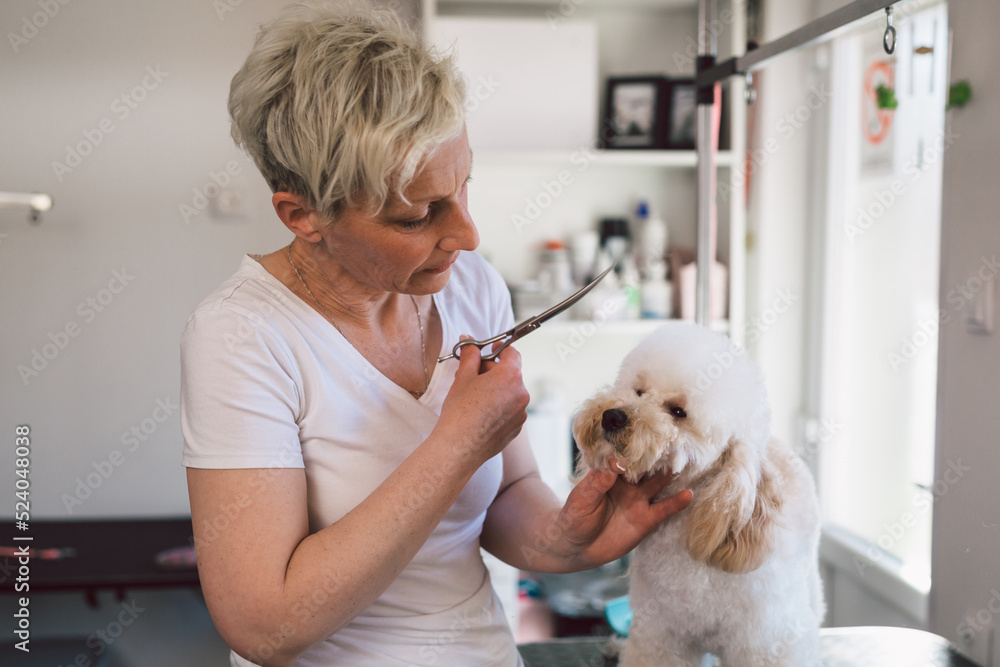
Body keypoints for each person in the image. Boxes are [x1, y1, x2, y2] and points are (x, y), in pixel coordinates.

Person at [180, 3, 692, 666]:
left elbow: (506, 496)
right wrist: (454, 445)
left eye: (464, 185)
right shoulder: (240, 336)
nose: (468, 236)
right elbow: (266, 624)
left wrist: (569, 537)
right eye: (417, 215)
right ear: (302, 214)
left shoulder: (471, 285)